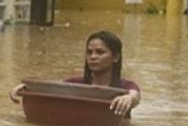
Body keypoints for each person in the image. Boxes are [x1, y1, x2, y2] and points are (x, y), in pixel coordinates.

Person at [9, 30, 141, 116]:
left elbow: (135, 96)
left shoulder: (125, 87)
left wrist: (128, 98)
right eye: (89, 52)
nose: (93, 57)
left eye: (100, 52)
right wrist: (27, 88)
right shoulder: (75, 84)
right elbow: (50, 88)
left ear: (116, 57)